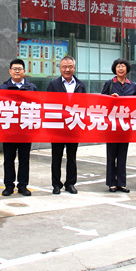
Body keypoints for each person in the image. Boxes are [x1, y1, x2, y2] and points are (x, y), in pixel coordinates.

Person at [47, 55, 86, 195]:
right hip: (57, 127)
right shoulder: (53, 84)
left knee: (72, 157)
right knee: (56, 157)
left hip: (74, 126)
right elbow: (48, 104)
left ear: (74, 68)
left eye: (70, 67)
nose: (67, 70)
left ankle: (70, 183)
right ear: (59, 68)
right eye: (64, 67)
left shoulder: (80, 85)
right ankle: (56, 184)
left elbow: (84, 105)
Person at [0, 59, 37, 196]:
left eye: (19, 69)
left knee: (24, 159)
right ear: (10, 71)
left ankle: (23, 186)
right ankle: (8, 186)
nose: (17, 71)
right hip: (9, 129)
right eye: (14, 69)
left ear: (24, 71)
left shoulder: (31, 88)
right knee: (8, 159)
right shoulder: (3, 88)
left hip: (25, 129)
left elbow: (36, 107)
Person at [102, 58, 136, 193]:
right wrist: (111, 99)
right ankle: (111, 183)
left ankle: (122, 183)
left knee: (123, 155)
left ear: (127, 69)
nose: (120, 68)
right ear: (114, 69)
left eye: (123, 66)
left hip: (125, 125)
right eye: (118, 66)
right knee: (111, 155)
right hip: (112, 124)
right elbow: (101, 101)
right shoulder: (109, 84)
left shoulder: (132, 85)